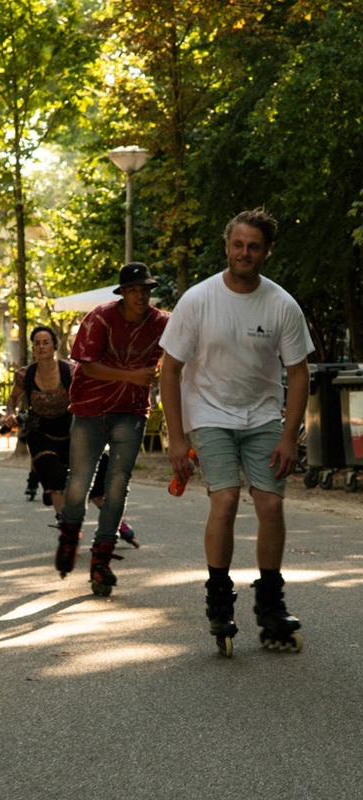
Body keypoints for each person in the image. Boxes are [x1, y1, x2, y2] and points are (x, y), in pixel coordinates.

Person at [158, 208, 313, 657]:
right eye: (238, 244)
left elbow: (298, 373)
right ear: (227, 245)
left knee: (270, 503)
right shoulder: (198, 300)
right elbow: (170, 369)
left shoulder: (281, 304)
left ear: (265, 252)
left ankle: (270, 604)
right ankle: (219, 600)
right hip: (208, 413)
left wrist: (289, 435)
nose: (245, 253)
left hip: (263, 417)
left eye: (254, 246)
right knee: (224, 500)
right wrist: (175, 437)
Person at [55, 262, 169, 595]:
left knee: (118, 485)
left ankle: (101, 560)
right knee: (79, 481)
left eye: (145, 290)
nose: (141, 296)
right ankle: (69, 535)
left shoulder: (162, 323)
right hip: (90, 411)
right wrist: (133, 376)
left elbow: (182, 352)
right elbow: (87, 367)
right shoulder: (101, 318)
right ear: (122, 294)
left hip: (130, 412)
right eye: (134, 290)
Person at [0, 325, 73, 515]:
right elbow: (12, 399)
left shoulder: (70, 371)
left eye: (46, 343)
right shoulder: (25, 375)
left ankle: (117, 525)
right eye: (37, 344)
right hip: (40, 432)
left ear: (54, 346)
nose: (41, 347)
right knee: (56, 476)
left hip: (68, 430)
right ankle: (65, 524)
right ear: (33, 348)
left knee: (87, 480)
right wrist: (10, 414)